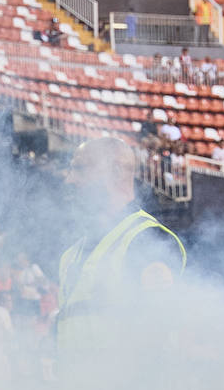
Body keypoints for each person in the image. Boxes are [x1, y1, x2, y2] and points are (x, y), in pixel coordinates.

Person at [56, 136, 186, 372]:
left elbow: (160, 340)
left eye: (80, 170)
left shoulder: (147, 239)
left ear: (115, 172)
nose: (69, 179)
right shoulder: (70, 255)